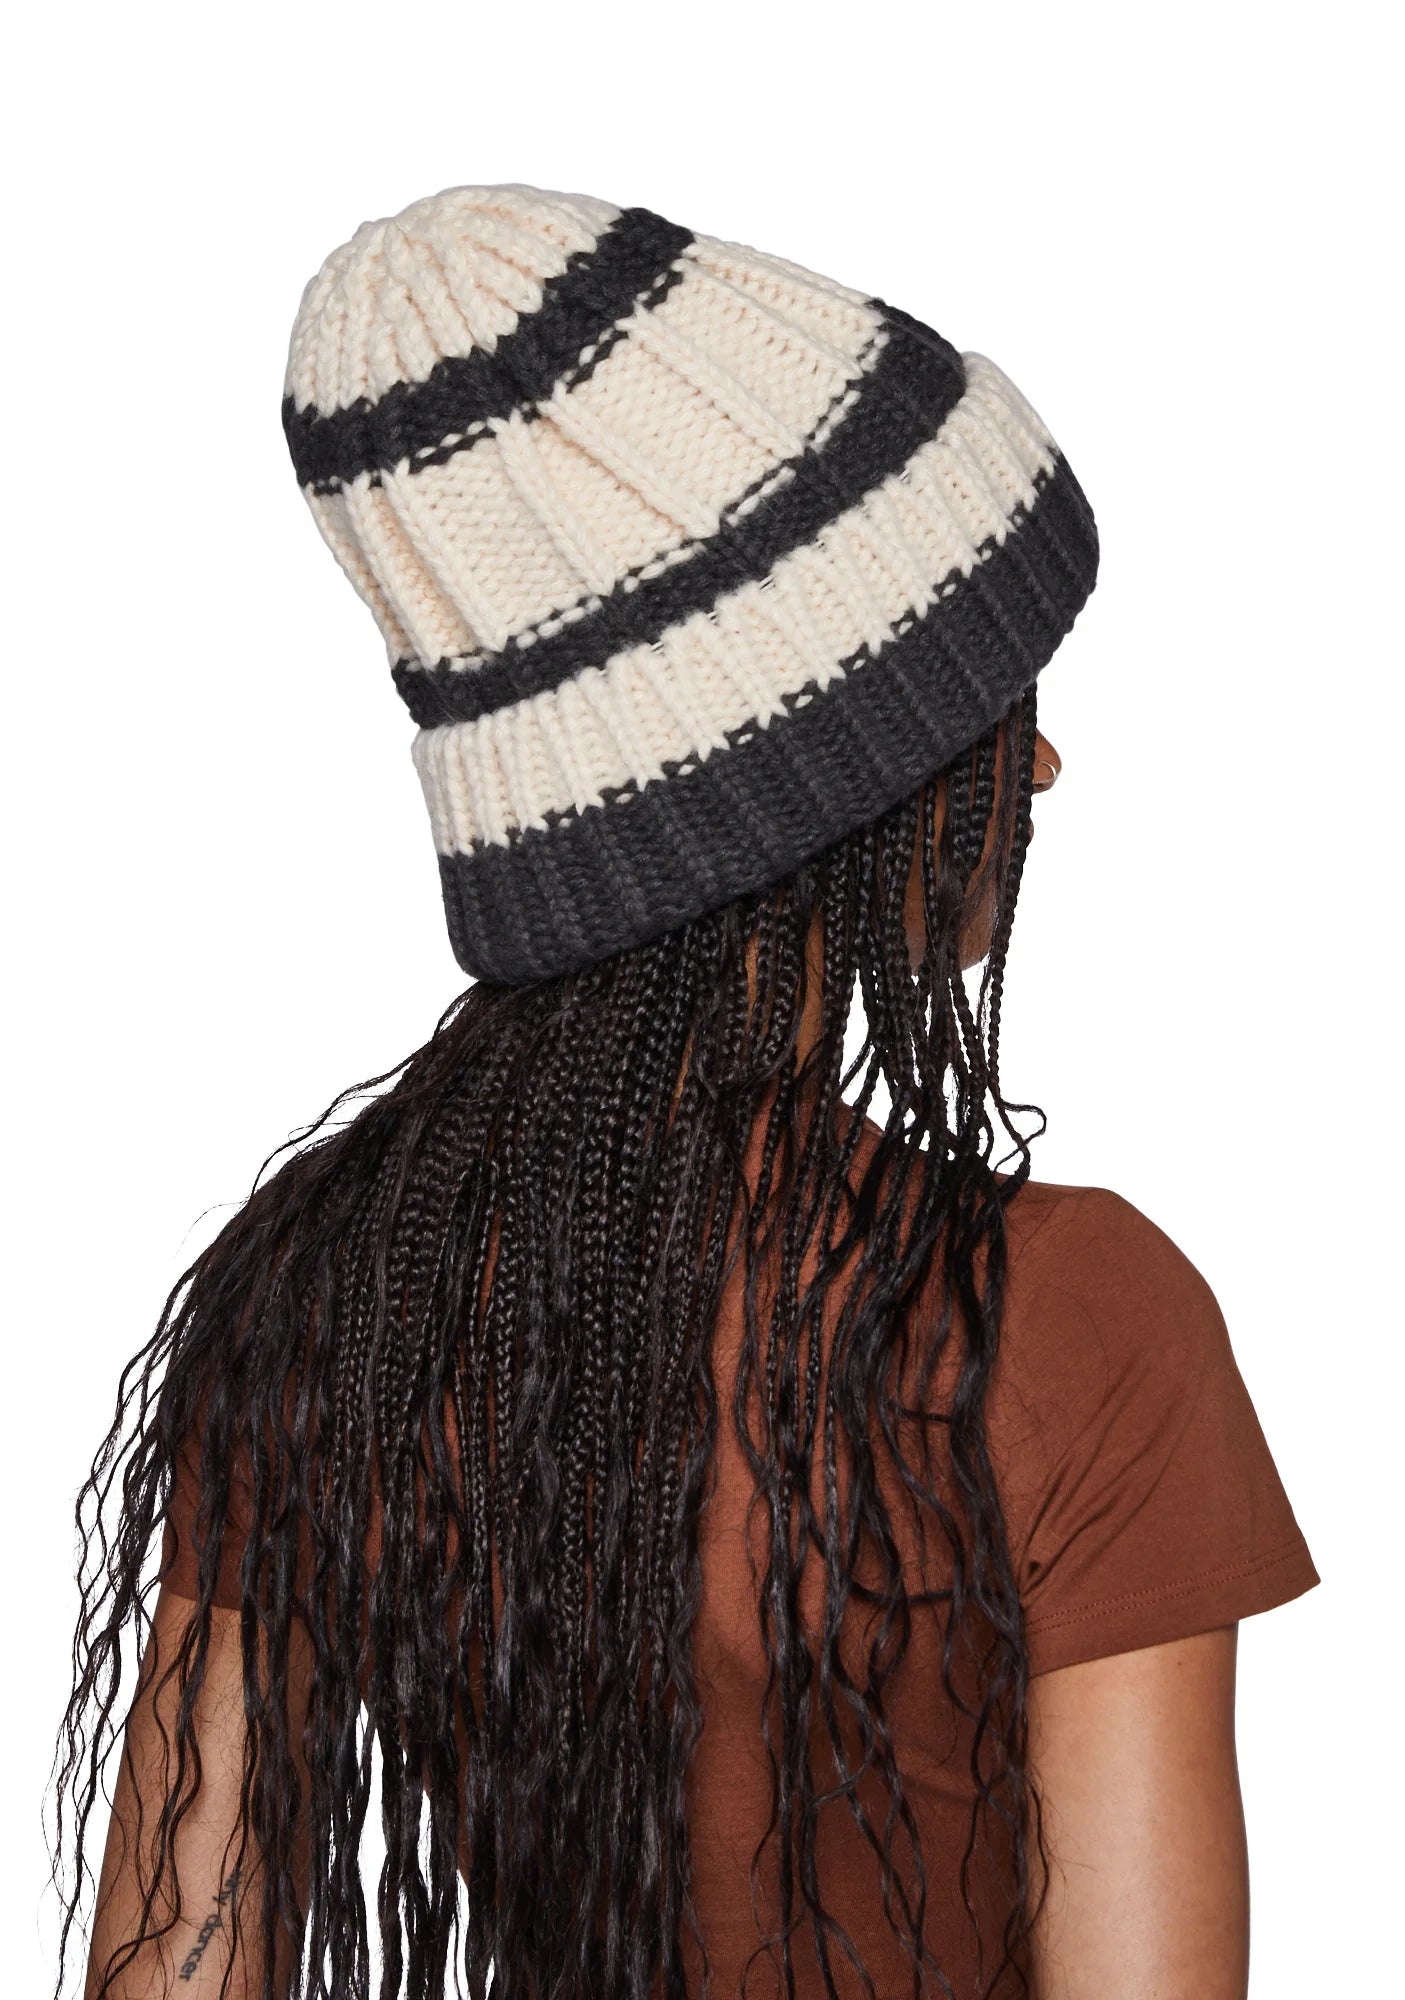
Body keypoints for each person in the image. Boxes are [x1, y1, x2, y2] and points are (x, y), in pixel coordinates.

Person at [52, 184, 1317, 2000]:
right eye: (979, 709)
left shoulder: (333, 1303)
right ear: (810, 786)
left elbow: (174, 1960)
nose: (1037, 764)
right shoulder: (1057, 1313)